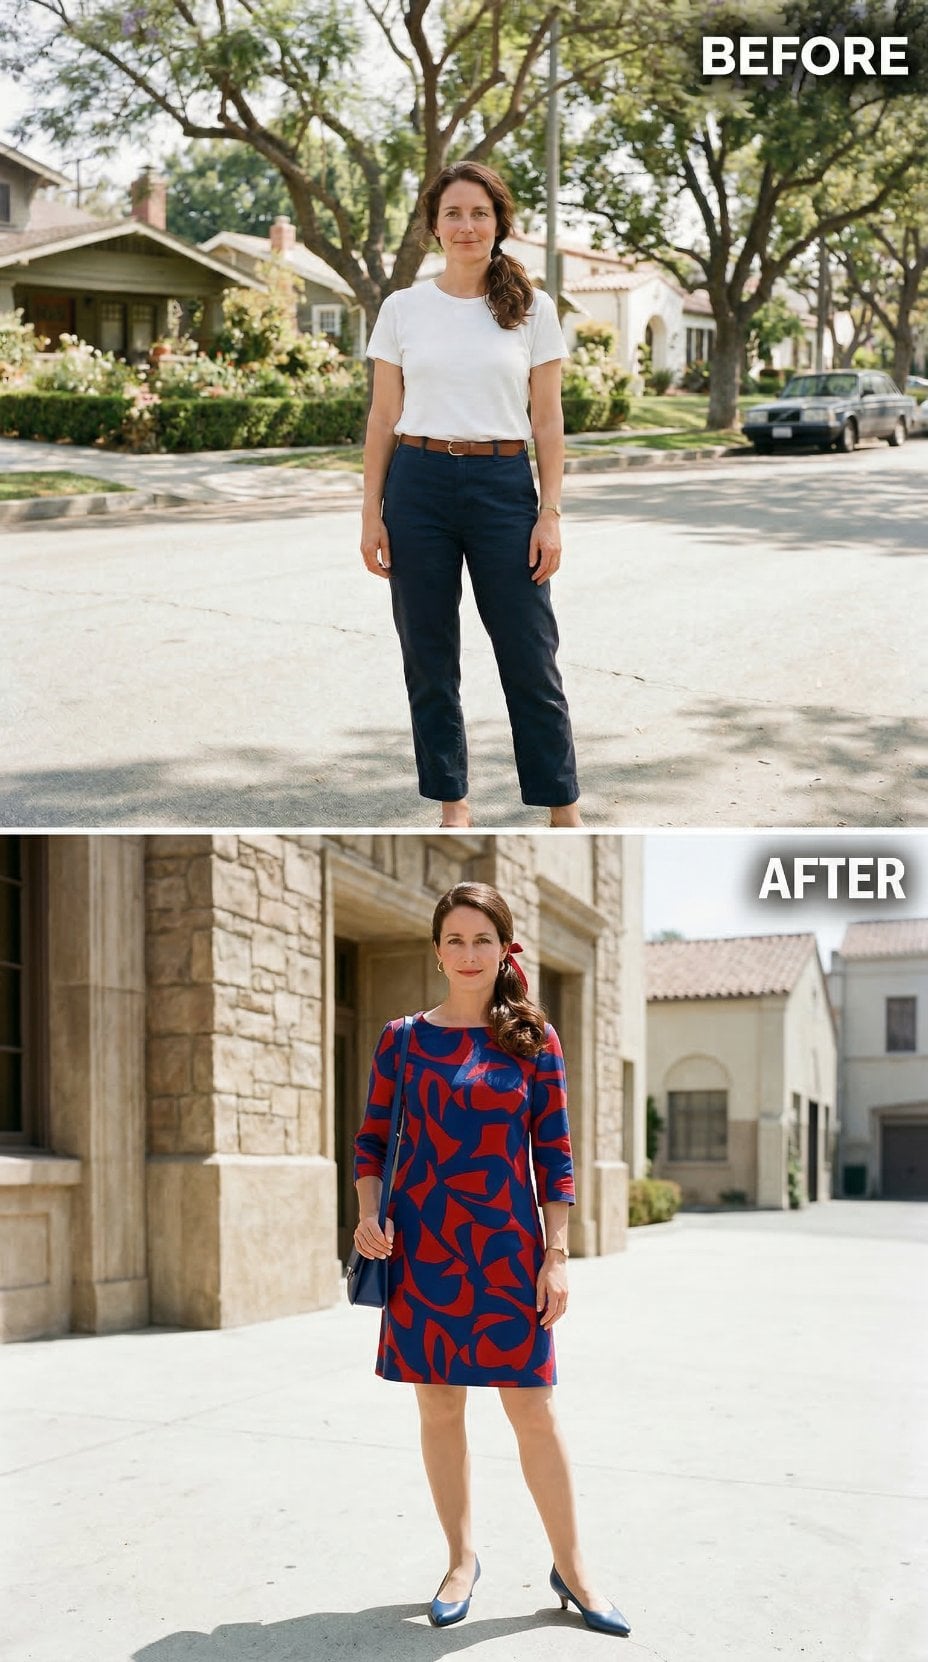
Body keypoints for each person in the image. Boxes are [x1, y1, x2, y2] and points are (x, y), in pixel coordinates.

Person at [352, 881, 630, 1636]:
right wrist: (368, 1213)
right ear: (436, 951)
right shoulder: (403, 1039)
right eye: (455, 940)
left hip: (508, 1255)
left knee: (533, 1410)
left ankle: (574, 1569)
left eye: (483, 940)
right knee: (439, 1404)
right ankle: (461, 1557)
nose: (468, 954)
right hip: (423, 1253)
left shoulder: (533, 1040)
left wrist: (558, 1255)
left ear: (503, 949)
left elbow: (557, 1156)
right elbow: (371, 1141)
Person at [359, 161, 582, 831]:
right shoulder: (403, 308)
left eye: (479, 213)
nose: (466, 226)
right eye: (453, 213)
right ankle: (453, 802)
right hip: (418, 485)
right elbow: (381, 416)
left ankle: (561, 806)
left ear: (499, 224)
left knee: (529, 651)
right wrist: (371, 510)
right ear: (434, 226)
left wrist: (550, 513)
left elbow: (547, 419)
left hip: (503, 486)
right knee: (429, 654)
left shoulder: (532, 309)